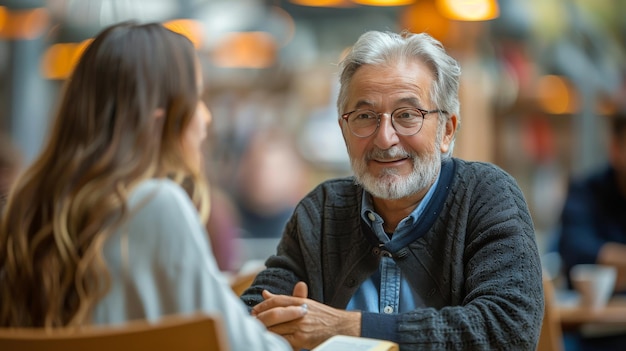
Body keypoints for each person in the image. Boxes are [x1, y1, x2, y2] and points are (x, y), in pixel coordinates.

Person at [0, 21, 296, 351]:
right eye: (197, 98)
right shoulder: (155, 203)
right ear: (159, 116)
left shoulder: (25, 203)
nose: (207, 117)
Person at [241, 30, 544, 350]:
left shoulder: (485, 196)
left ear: (447, 130)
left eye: (407, 115)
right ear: (344, 130)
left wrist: (346, 326)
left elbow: (509, 328)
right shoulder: (323, 211)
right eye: (365, 117)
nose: (384, 138)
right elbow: (251, 313)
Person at [557, 107, 626, 351]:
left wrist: (609, 260)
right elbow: (575, 253)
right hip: (596, 338)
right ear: (616, 149)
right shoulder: (585, 192)